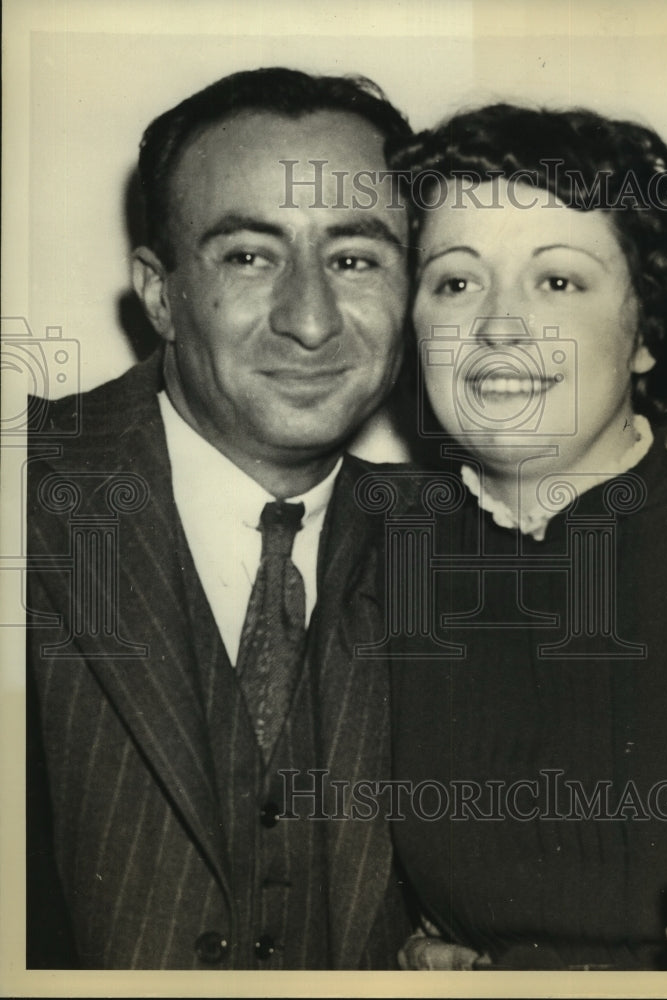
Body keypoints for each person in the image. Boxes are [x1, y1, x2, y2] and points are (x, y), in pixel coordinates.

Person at [25, 67, 418, 970]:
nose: (312, 321)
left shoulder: (455, 544)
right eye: (250, 255)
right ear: (159, 294)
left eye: (354, 258)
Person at [383, 104, 667, 970]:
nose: (500, 327)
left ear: (648, 329)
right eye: (456, 282)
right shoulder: (370, 550)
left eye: (558, 282)